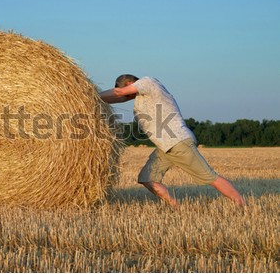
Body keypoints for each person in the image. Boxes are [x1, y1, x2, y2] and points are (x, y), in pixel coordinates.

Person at [99, 74, 245, 207]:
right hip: (165, 146)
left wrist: (88, 92)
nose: (127, 99)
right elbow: (119, 96)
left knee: (209, 177)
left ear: (130, 83)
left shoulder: (148, 82)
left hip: (178, 141)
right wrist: (91, 99)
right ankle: (175, 206)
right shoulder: (141, 96)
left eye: (127, 94)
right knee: (147, 179)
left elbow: (118, 94)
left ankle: (241, 204)